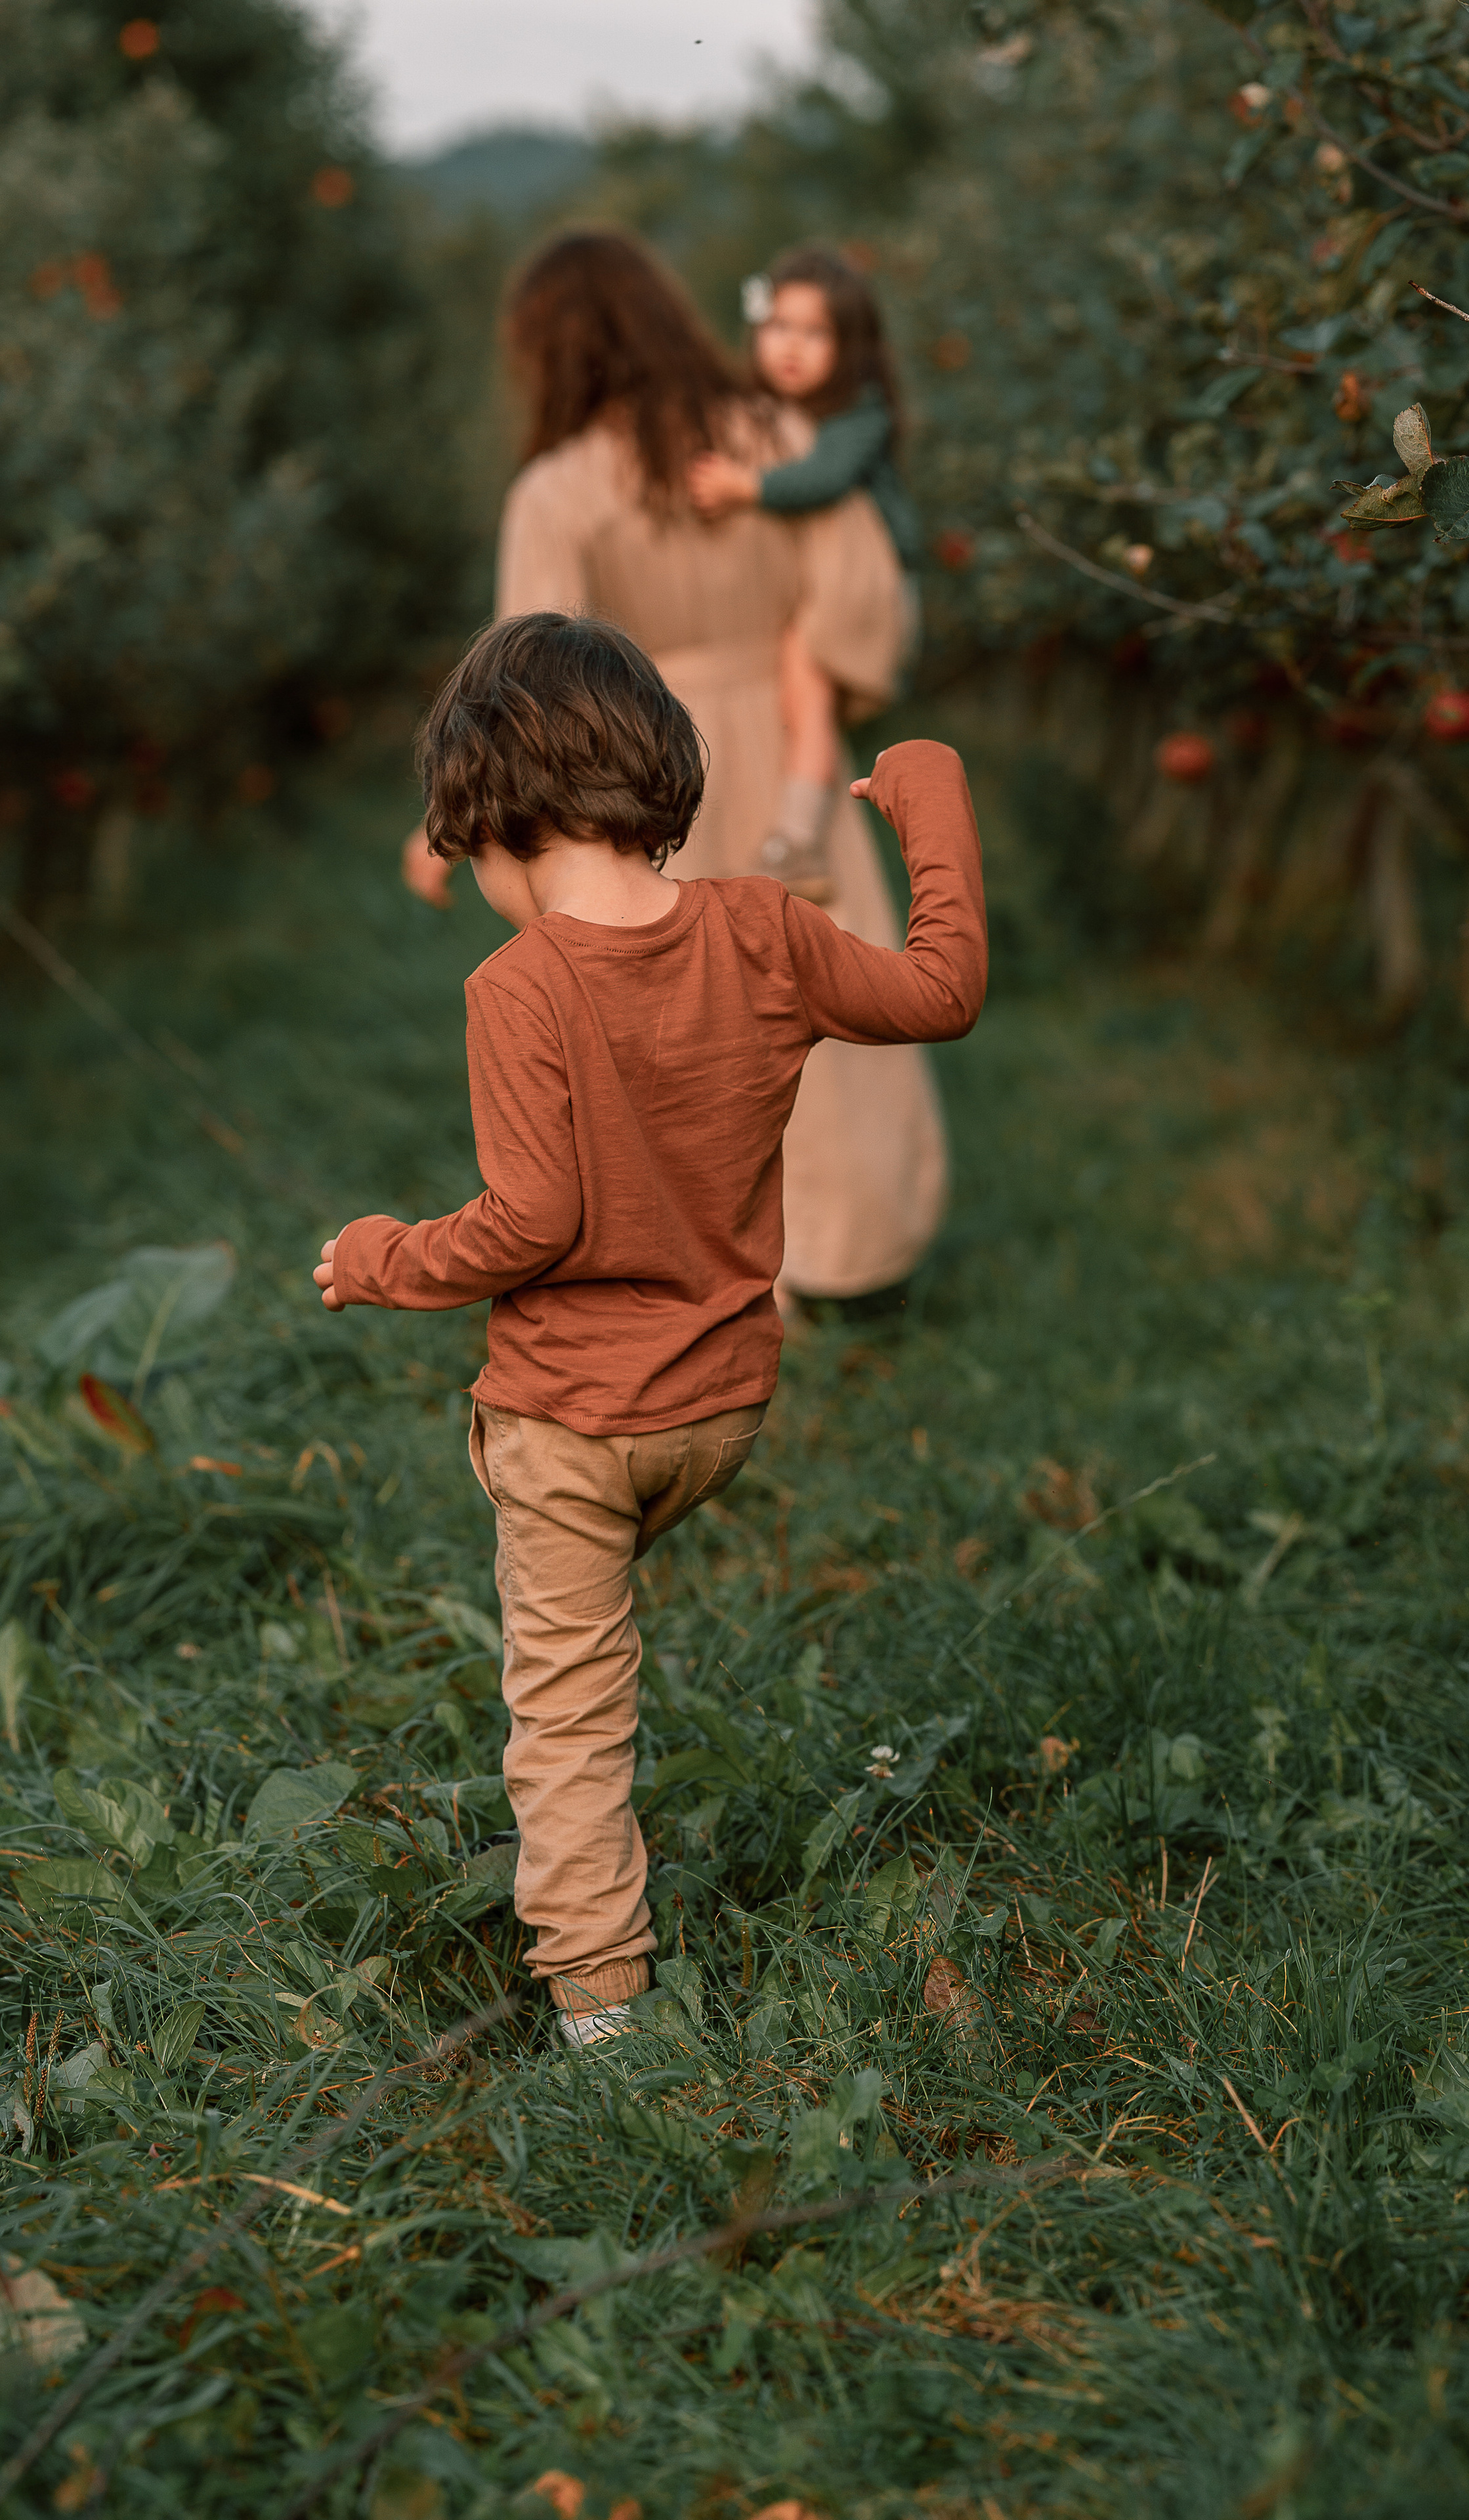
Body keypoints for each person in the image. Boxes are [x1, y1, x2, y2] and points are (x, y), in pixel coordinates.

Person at [317, 612, 987, 2040]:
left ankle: (604, 2017)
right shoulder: (765, 931)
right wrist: (927, 798)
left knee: (567, 1713)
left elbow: (532, 1222)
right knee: (595, 1644)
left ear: (496, 817)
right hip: (720, 1410)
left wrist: (383, 1259)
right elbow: (944, 990)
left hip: (573, 1424)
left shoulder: (518, 987)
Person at [407, 229, 948, 1311]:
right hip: (789, 744)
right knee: (820, 978)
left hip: (636, 771)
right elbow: (862, 592)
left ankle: (718, 1269)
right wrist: (815, 674)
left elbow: (529, 675)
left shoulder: (559, 489)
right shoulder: (778, 435)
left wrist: (447, 820)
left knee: (682, 1026)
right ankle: (847, 1244)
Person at [689, 246, 920, 906]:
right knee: (795, 691)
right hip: (829, 587)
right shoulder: (761, 415)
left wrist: (745, 486)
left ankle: (797, 839)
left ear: (851, 348)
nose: (792, 346)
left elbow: (823, 478)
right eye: (779, 327)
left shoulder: (859, 415)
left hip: (872, 589)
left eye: (816, 333)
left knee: (805, 680)